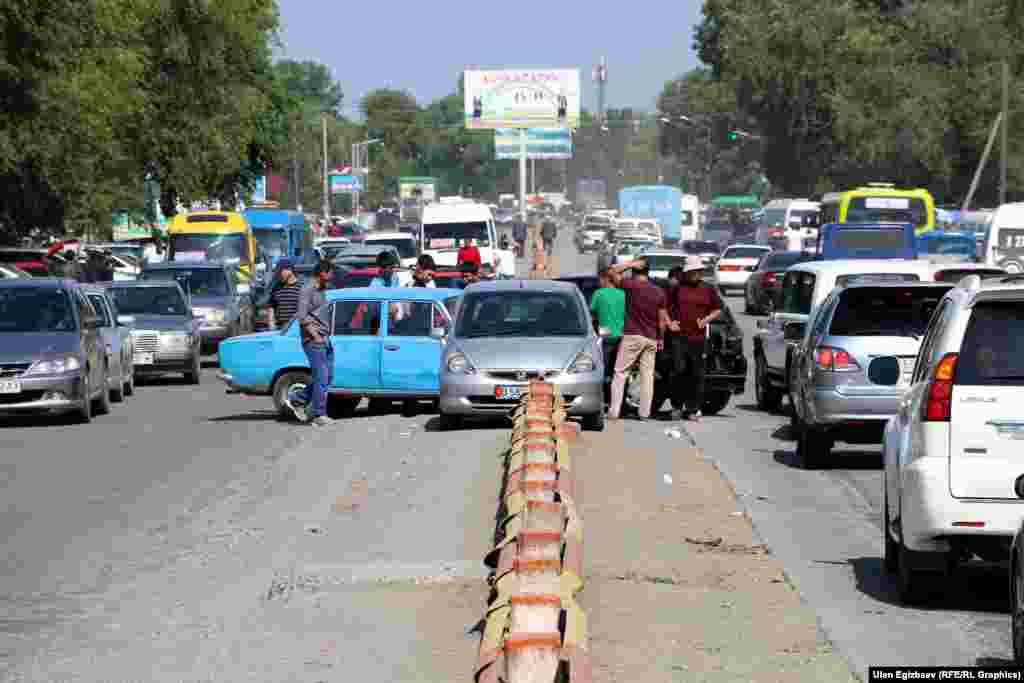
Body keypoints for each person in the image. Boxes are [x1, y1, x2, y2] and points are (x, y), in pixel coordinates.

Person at [607, 257, 674, 421]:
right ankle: (644, 413)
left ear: (635, 270)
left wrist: (629, 263)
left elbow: (611, 272)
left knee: (620, 373)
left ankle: (614, 411)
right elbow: (662, 320)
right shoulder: (659, 291)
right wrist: (661, 339)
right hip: (651, 338)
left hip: (632, 335)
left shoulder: (630, 285)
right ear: (648, 272)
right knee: (647, 376)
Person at [666, 256, 723, 422]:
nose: (697, 274)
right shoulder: (677, 288)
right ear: (687, 272)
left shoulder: (708, 289)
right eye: (693, 271)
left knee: (697, 374)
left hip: (698, 339)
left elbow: (718, 309)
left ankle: (693, 409)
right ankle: (676, 406)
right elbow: (663, 307)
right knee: (678, 370)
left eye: (699, 271)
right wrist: (670, 323)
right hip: (679, 338)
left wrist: (706, 320)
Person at [289, 260, 335, 426]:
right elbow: (302, 316)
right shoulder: (307, 289)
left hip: (325, 338)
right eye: (330, 273)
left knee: (327, 376)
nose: (331, 276)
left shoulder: (322, 290)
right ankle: (318, 415)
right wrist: (315, 336)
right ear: (322, 272)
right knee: (321, 377)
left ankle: (297, 398)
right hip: (313, 340)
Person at [590, 268, 625, 408]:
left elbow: (592, 313)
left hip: (605, 335)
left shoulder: (599, 293)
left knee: (603, 369)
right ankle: (616, 401)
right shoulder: (623, 294)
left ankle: (604, 400)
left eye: (600, 279)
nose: (599, 282)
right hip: (621, 336)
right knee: (618, 371)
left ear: (605, 279)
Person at [266, 258, 301, 330]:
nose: (279, 275)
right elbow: (271, 306)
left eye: (280, 272)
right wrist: (271, 323)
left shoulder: (302, 287)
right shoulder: (276, 288)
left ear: (289, 270)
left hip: (297, 330)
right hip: (281, 329)